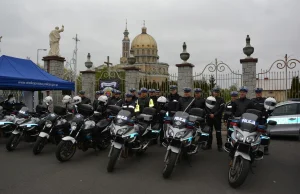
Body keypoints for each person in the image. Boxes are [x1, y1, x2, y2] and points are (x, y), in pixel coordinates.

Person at [204, 87, 225, 152]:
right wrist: (210, 114)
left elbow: (221, 109)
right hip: (209, 117)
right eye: (214, 91)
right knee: (209, 132)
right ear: (212, 92)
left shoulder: (221, 100)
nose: (216, 93)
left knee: (218, 132)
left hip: (217, 118)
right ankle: (208, 145)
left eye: (217, 92)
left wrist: (214, 114)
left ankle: (219, 146)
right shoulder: (208, 99)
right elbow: (206, 107)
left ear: (219, 93)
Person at [251, 88, 270, 155]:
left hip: (262, 120)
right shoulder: (252, 100)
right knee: (253, 133)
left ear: (261, 93)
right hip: (255, 119)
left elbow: (268, 109)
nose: (258, 94)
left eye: (259, 93)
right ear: (255, 93)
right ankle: (253, 146)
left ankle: (266, 148)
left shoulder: (265, 100)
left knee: (265, 133)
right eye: (257, 93)